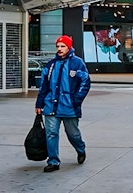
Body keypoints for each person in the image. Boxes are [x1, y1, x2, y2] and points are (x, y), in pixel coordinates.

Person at [36, 35, 91, 172]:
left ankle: (80, 149)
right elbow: (44, 86)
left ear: (69, 47)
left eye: (63, 46)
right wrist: (39, 104)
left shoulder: (77, 63)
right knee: (51, 133)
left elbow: (85, 82)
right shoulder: (51, 65)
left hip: (69, 106)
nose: (59, 49)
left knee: (73, 133)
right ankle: (53, 161)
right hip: (51, 105)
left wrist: (76, 100)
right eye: (58, 46)